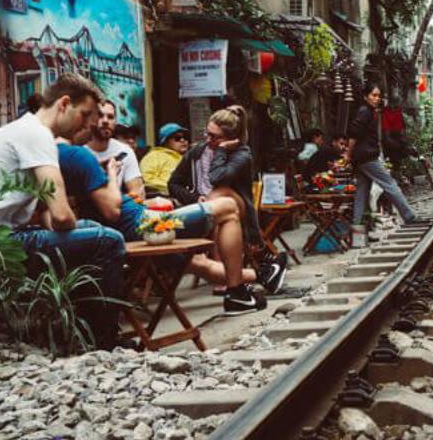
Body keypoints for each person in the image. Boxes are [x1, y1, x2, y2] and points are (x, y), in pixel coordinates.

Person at [0, 73, 126, 348]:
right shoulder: (37, 135)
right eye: (85, 114)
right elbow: (62, 216)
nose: (89, 124)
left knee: (92, 230)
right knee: (110, 241)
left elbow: (53, 217)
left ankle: (79, 332)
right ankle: (104, 343)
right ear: (64, 104)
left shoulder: (23, 130)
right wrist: (65, 220)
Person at [55, 139, 261, 295]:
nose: (102, 121)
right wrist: (110, 174)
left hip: (145, 218)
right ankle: (237, 293)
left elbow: (136, 195)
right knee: (227, 206)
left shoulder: (76, 156)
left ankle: (262, 275)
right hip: (145, 227)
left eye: (109, 116)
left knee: (198, 263)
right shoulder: (76, 155)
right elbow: (113, 210)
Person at [164, 107, 274, 313]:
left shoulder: (242, 153)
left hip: (234, 209)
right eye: (207, 133)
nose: (208, 140)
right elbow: (174, 183)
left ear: (230, 139)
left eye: (215, 137)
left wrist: (221, 150)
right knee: (213, 208)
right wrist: (196, 198)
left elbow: (217, 178)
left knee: (220, 198)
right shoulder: (196, 152)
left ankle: (234, 286)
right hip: (202, 207)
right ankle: (260, 276)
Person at [348, 82, 417, 246]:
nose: (376, 98)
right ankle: (409, 216)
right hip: (366, 157)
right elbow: (354, 133)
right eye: (373, 95)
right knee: (390, 184)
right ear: (366, 96)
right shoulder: (365, 111)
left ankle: (358, 236)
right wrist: (348, 154)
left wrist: (352, 156)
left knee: (362, 193)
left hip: (362, 157)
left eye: (378, 96)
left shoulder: (369, 111)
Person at [84, 100, 144, 202]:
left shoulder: (126, 151)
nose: (105, 121)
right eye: (100, 116)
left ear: (115, 122)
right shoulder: (79, 150)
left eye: (110, 117)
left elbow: (138, 197)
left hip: (119, 211)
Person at [140, 123, 188, 196]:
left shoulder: (188, 157)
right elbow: (146, 178)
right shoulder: (154, 156)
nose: (183, 140)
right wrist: (173, 188)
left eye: (185, 137)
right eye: (177, 138)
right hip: (166, 198)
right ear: (165, 141)